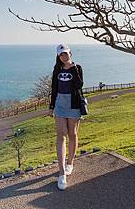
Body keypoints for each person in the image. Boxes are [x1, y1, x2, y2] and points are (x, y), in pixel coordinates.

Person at [48, 44, 83, 191]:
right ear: (58, 56)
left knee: (72, 134)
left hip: (73, 104)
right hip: (60, 104)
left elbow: (80, 85)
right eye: (61, 54)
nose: (64, 56)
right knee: (61, 135)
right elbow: (54, 88)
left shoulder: (77, 68)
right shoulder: (57, 69)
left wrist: (72, 68)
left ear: (70, 53)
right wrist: (51, 107)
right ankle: (62, 173)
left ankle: (70, 163)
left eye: (66, 53)